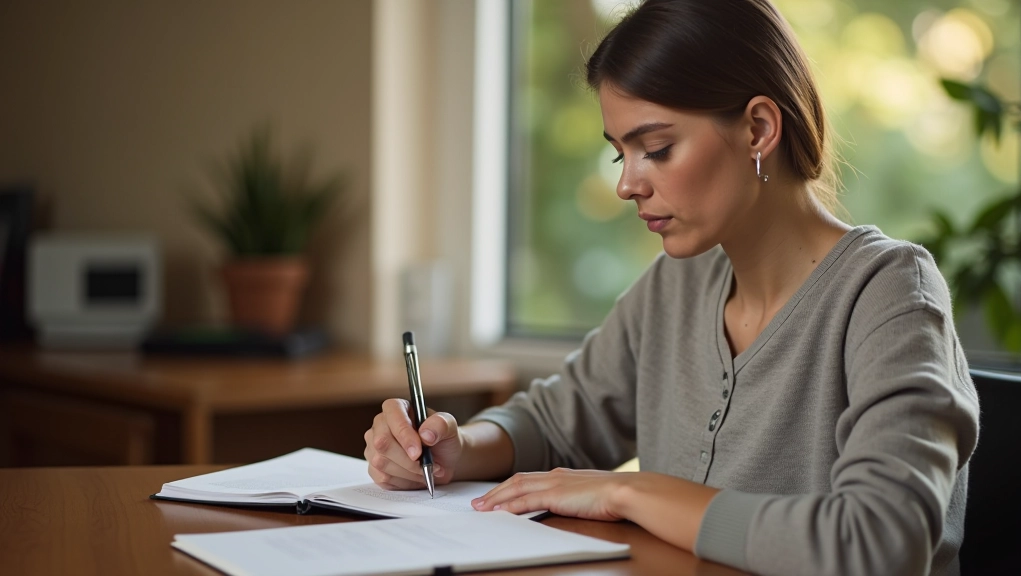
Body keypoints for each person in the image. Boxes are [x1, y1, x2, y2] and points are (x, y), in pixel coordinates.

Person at [363, 1, 980, 574]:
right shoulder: (676, 285)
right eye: (620, 155)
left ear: (759, 129)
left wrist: (629, 489)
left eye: (655, 149)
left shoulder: (890, 293)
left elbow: (876, 539)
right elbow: (558, 420)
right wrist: (455, 447)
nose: (627, 185)